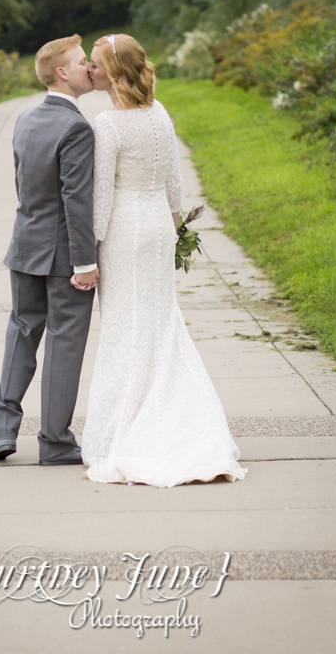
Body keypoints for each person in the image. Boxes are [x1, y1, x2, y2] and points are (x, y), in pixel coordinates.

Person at [79, 33, 246, 487]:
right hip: (156, 227)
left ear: (113, 73)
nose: (89, 70)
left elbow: (101, 198)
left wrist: (89, 251)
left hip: (124, 231)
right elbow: (174, 186)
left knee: (125, 326)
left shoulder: (108, 124)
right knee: (158, 321)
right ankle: (177, 413)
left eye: (95, 64)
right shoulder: (160, 114)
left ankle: (127, 428)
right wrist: (170, 232)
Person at [0, 35, 99, 466]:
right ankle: (55, 441)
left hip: (24, 244)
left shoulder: (25, 120)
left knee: (21, 332)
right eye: (83, 61)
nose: (90, 67)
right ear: (62, 72)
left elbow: (23, 186)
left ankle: (2, 429)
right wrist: (86, 262)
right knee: (65, 342)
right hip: (63, 255)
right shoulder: (76, 127)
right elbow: (76, 200)